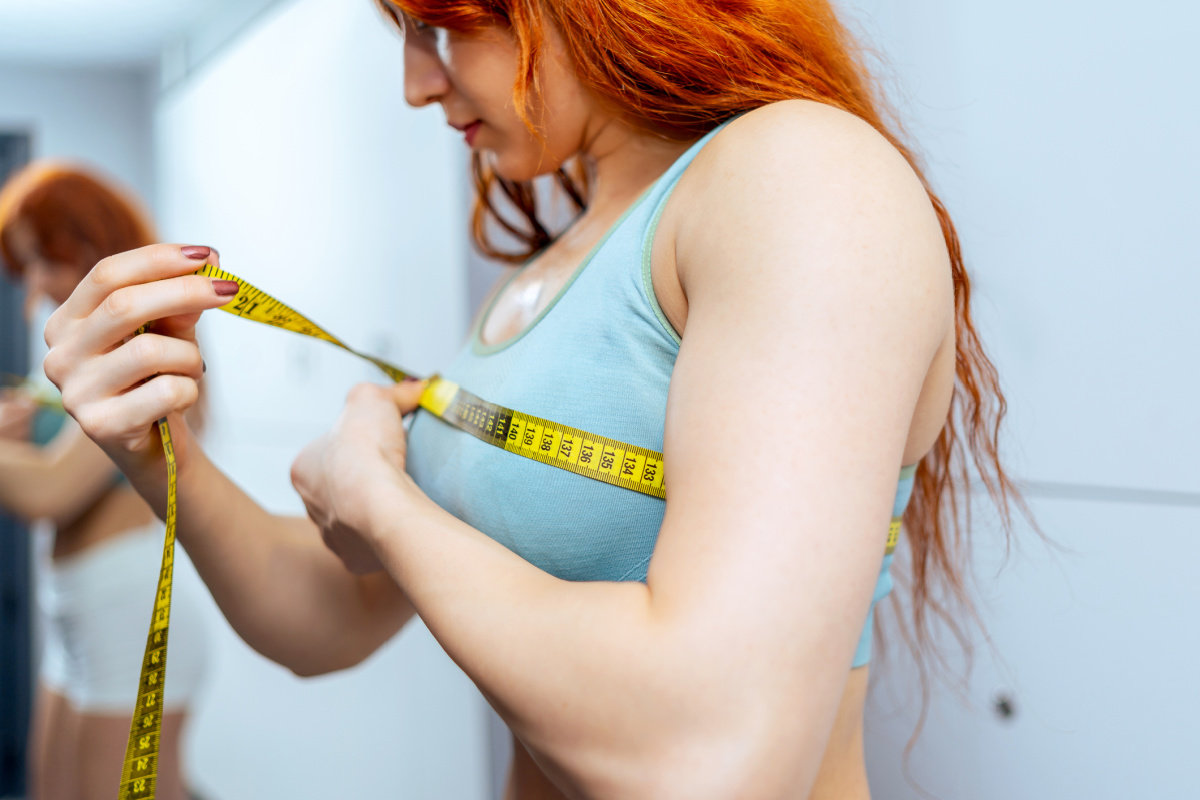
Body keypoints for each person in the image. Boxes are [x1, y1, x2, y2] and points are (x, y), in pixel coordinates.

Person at [40, 1, 1019, 797]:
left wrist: (382, 501)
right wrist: (153, 446)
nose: (418, 84)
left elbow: (715, 757)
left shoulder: (800, 175)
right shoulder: (542, 276)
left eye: (440, 23)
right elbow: (330, 616)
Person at [0, 162, 208, 800]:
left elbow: (48, 490)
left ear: (90, 244)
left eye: (45, 259)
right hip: (73, 611)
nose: (35, 282)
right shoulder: (88, 352)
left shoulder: (145, 348)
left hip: (129, 612)